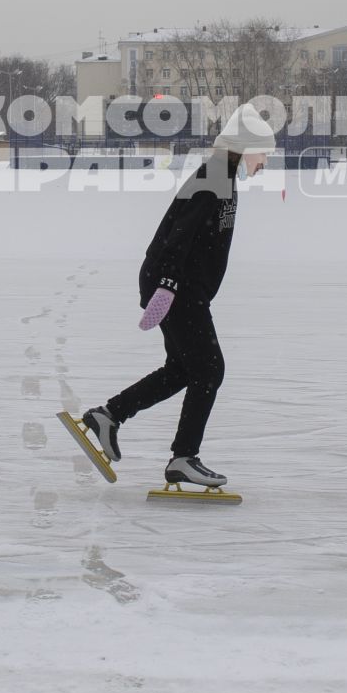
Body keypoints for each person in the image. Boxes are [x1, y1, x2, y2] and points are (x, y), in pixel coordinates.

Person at [76, 104, 276, 492]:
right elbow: (179, 234)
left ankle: (108, 416)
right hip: (176, 286)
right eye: (263, 152)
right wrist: (167, 284)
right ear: (245, 147)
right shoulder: (215, 175)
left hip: (183, 287)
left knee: (184, 370)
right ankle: (183, 458)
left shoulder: (224, 176)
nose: (265, 162)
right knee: (209, 368)